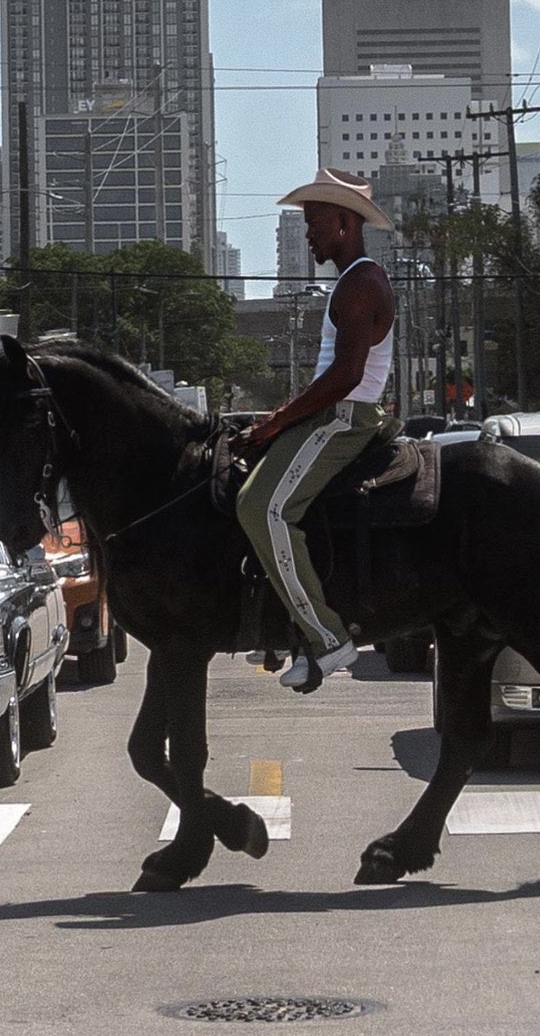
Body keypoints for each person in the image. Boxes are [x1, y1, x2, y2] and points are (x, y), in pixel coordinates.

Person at [236, 168, 395, 689]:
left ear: (346, 224)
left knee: (261, 507)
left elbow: (346, 376)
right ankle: (286, 627)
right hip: (336, 413)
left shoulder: (361, 283)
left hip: (345, 420)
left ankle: (328, 639)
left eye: (316, 223)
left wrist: (280, 419)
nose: (308, 234)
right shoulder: (353, 281)